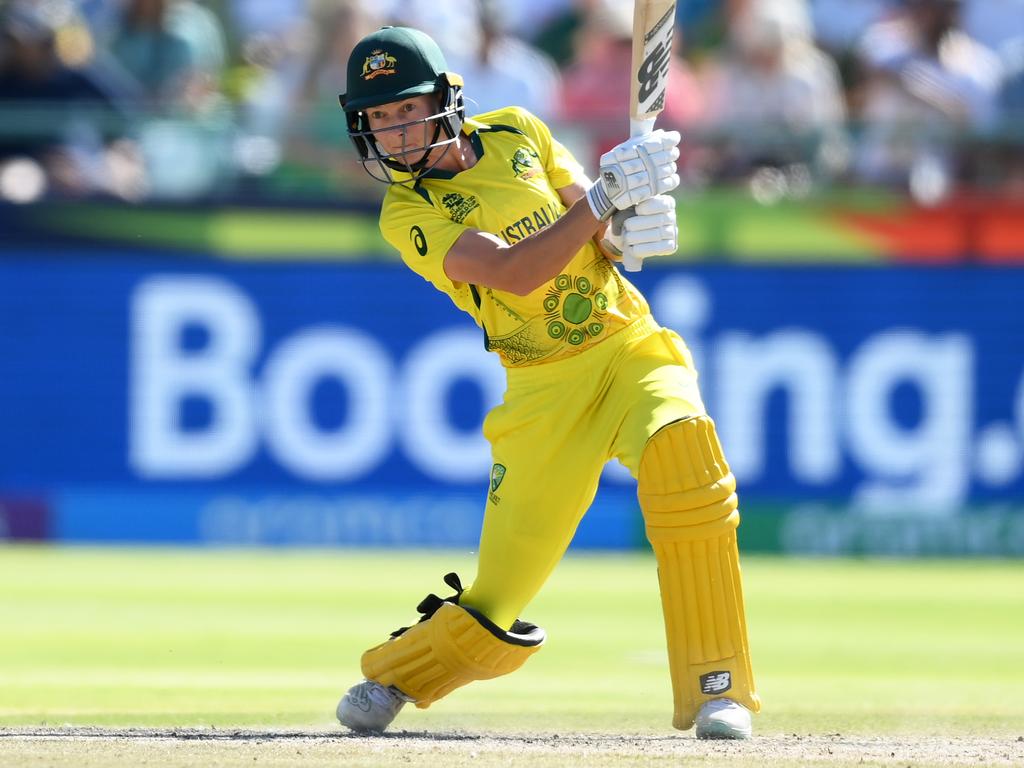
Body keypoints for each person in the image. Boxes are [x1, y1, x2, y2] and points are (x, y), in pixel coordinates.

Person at [334, 25, 761, 740]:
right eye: (378, 119)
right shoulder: (407, 212)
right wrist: (602, 201)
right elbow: (513, 272)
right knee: (494, 606)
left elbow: (599, 237)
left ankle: (718, 688)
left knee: (688, 461)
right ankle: (398, 674)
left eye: (406, 109)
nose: (394, 132)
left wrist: (631, 226)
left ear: (447, 100)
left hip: (628, 346)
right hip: (543, 392)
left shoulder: (517, 131)